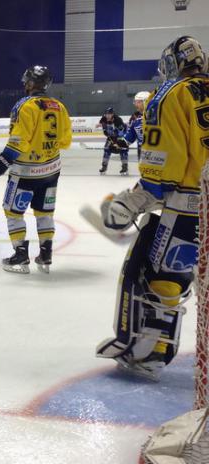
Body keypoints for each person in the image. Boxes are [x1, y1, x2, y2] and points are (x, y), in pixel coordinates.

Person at [96, 36, 209, 380]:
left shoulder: (171, 95)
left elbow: (165, 168)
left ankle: (154, 352)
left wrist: (134, 202)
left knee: (165, 275)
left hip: (191, 208)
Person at [0, 65, 72, 273]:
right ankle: (46, 255)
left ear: (31, 83)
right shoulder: (59, 106)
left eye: (26, 81)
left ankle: (21, 256)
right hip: (51, 171)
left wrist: (3, 160)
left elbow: (19, 140)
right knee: (44, 212)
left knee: (12, 211)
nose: (25, 84)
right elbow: (66, 141)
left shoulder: (24, 105)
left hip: (26, 172)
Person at [99, 107, 129, 175]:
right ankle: (104, 166)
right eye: (106, 114)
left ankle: (125, 166)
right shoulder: (103, 119)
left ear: (112, 114)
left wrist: (117, 143)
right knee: (106, 149)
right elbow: (104, 128)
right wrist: (105, 132)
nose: (107, 116)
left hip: (120, 137)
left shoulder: (118, 120)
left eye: (109, 114)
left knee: (123, 150)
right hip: (111, 137)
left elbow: (121, 132)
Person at [124, 91, 150, 161]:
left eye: (138, 102)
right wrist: (119, 144)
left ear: (146, 102)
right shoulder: (134, 117)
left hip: (158, 151)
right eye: (135, 102)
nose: (135, 104)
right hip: (142, 152)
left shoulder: (158, 115)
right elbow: (130, 136)